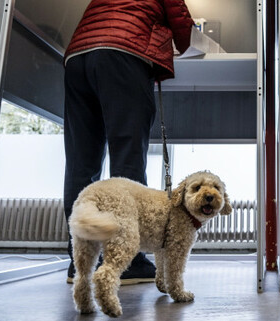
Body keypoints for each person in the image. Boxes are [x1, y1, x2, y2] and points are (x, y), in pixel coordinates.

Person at [63, 0, 194, 284]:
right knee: (127, 158)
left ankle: (81, 262)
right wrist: (183, 42)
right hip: (123, 55)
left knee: (80, 162)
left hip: (77, 57)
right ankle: (129, 260)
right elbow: (182, 22)